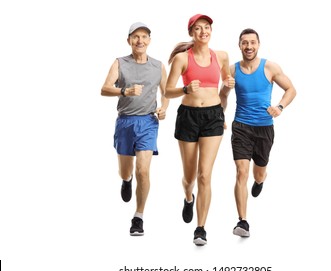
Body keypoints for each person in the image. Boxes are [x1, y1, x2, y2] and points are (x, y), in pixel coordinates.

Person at [219, 28, 296, 237]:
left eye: (252, 42)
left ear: (258, 44)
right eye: (245, 43)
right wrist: (221, 113)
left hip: (264, 127)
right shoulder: (233, 71)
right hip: (241, 126)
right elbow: (222, 96)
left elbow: (291, 89)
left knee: (258, 172)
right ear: (239, 46)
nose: (249, 47)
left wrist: (279, 107)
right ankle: (242, 222)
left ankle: (260, 181)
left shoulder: (270, 67)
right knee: (241, 172)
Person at [165, 14, 235, 246]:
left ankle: (201, 228)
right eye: (198, 28)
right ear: (191, 33)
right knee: (190, 176)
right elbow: (167, 91)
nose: (203, 31)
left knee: (205, 174)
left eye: (207, 27)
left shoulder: (222, 56)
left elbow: (225, 85)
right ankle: (188, 196)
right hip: (188, 117)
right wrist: (185, 88)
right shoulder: (182, 59)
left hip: (213, 117)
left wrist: (228, 86)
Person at [101, 22, 169, 236]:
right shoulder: (120, 63)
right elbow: (104, 89)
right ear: (129, 40)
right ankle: (126, 180)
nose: (140, 41)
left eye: (144, 37)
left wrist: (164, 108)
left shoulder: (158, 66)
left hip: (148, 122)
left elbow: (166, 92)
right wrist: (125, 91)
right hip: (125, 121)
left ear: (149, 40)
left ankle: (138, 217)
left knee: (143, 170)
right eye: (135, 37)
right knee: (126, 170)